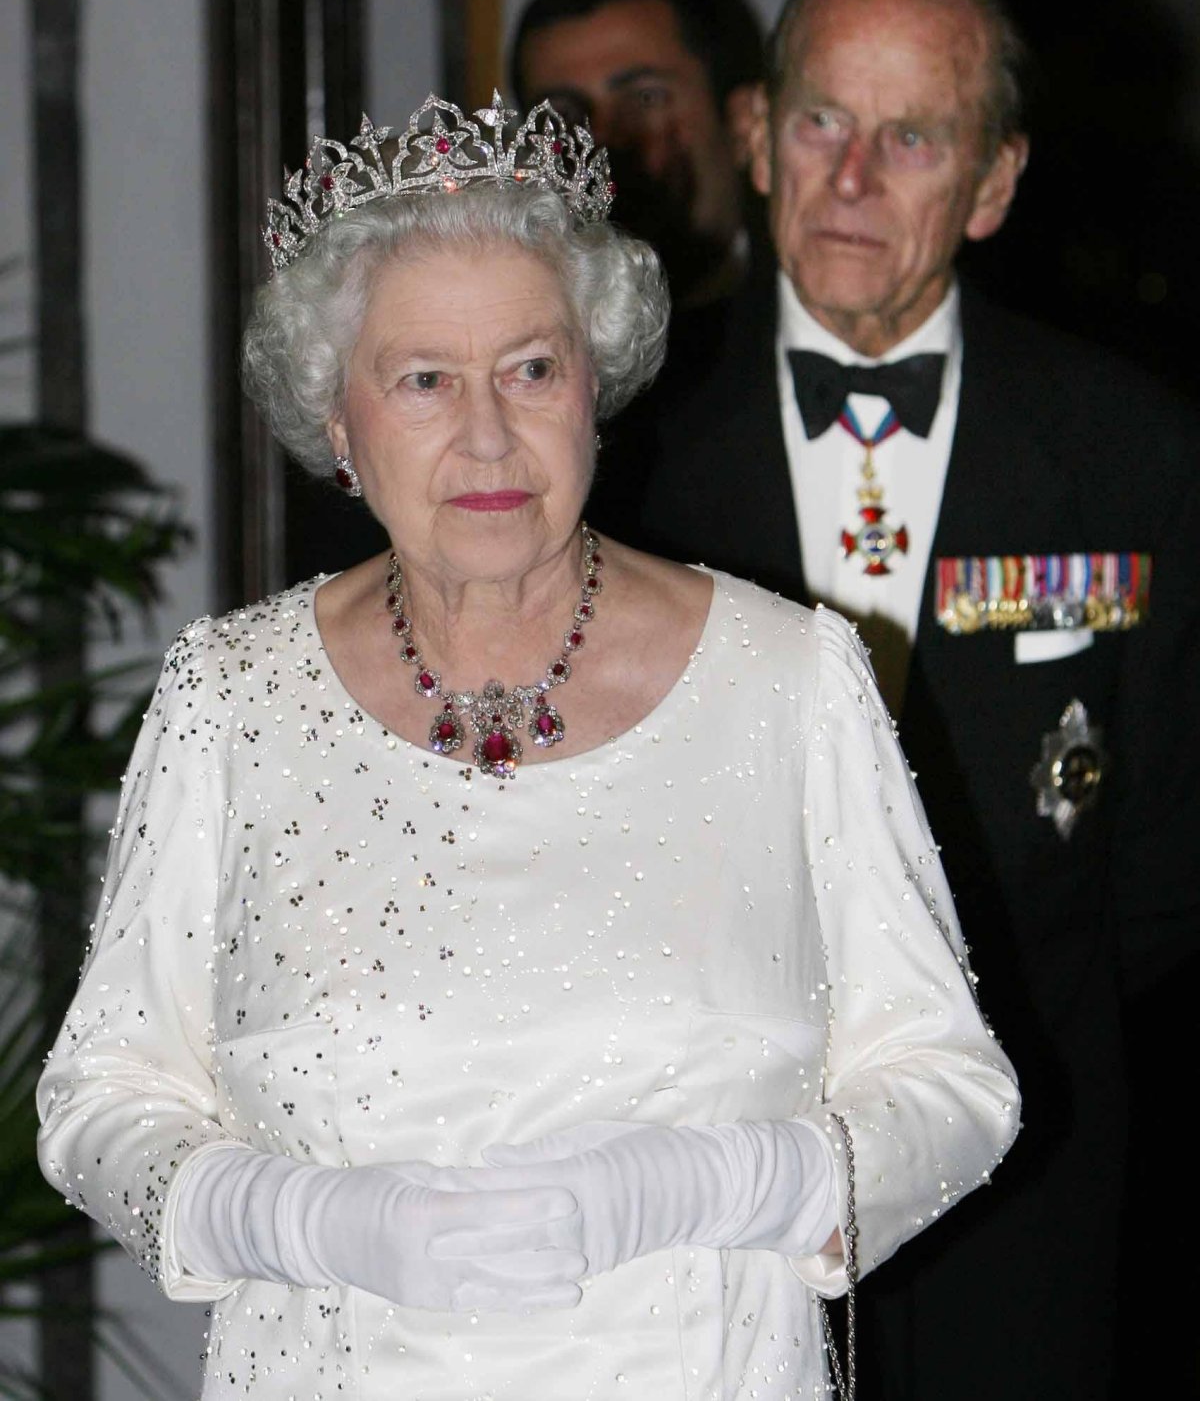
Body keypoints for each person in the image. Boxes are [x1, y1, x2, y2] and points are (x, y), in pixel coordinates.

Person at [37, 94, 1018, 1400]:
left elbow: (952, 1093)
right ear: (339, 421)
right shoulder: (232, 699)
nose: (488, 434)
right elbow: (101, 1109)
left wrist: (721, 1181)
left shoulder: (791, 680)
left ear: (593, 387)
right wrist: (307, 1224)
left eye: (532, 368)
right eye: (424, 380)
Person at [641, 0, 1200, 1399]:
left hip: (1024, 1172)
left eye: (916, 138)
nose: (854, 178)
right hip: (695, 1168)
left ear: (995, 183)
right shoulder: (623, 438)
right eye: (824, 123)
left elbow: (1160, 870)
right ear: (758, 137)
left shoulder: (1130, 450)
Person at [510, 0, 767, 539]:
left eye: (646, 99)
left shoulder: (808, 328)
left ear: (745, 122)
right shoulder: (516, 356)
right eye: (566, 114)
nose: (603, 142)